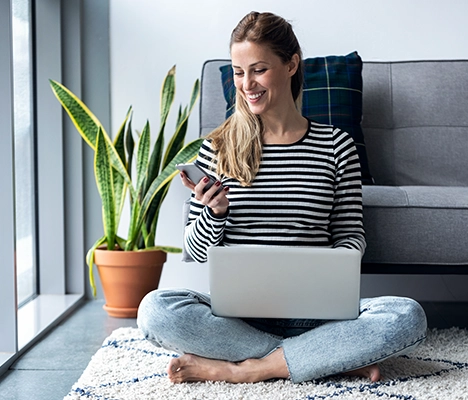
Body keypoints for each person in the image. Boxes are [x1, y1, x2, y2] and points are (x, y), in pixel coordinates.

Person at [137, 11, 427, 385]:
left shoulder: (336, 146)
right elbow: (193, 252)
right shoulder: (218, 148)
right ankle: (323, 356)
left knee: (407, 315)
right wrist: (215, 213)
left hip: (317, 313)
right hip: (237, 316)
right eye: (238, 72)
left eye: (258, 70)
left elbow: (351, 236)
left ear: (291, 65)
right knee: (156, 310)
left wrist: (332, 267)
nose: (246, 84)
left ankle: (247, 369)